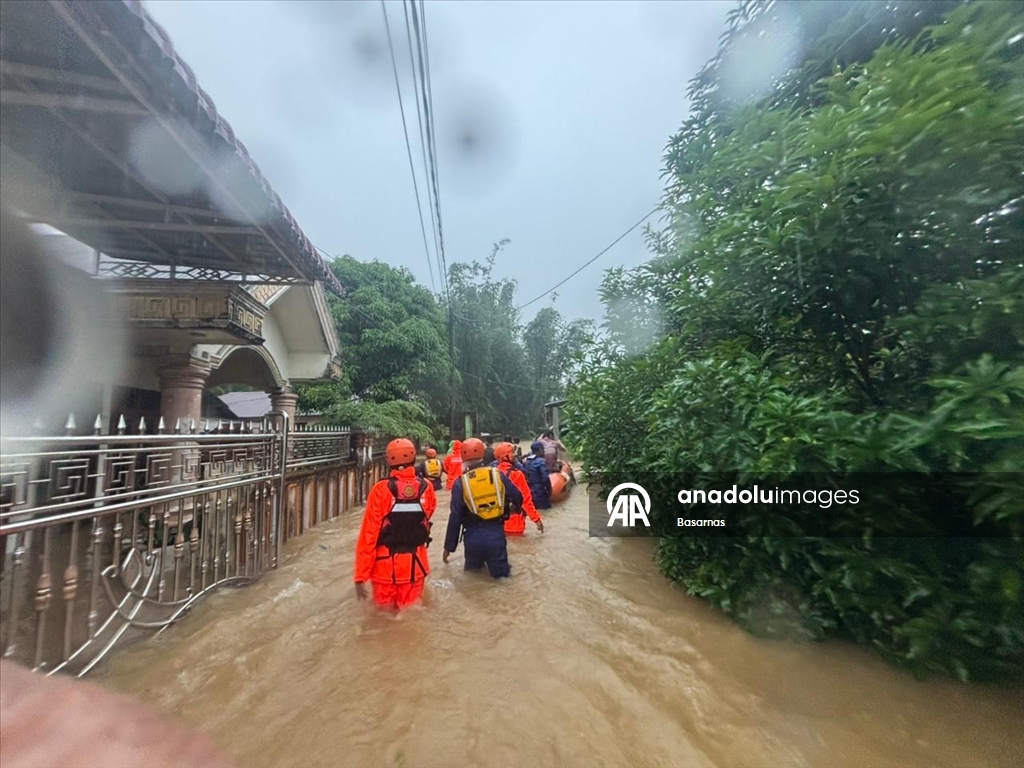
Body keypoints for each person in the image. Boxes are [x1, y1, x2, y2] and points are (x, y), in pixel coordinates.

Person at [354, 438, 437, 610]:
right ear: (414, 458)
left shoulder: (380, 489)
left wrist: (360, 576)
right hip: (415, 566)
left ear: (388, 460)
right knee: (411, 616)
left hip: (384, 568)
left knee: (383, 619)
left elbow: (369, 535)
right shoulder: (427, 487)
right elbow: (426, 516)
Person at [443, 437, 522, 578]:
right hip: (496, 534)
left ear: (463, 456)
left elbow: (455, 517)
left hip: (472, 537)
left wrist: (449, 547)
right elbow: (518, 496)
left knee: (473, 578)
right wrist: (514, 509)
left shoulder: (460, 483)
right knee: (502, 579)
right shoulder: (497, 474)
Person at [493, 442, 544, 536]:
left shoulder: (492, 474)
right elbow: (526, 500)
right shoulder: (517, 474)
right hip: (514, 524)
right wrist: (536, 519)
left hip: (496, 525)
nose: (515, 455)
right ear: (505, 456)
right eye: (512, 453)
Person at [522, 440, 554, 510]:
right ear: (539, 450)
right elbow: (545, 478)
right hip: (540, 494)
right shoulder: (541, 461)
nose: (544, 451)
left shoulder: (526, 462)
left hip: (529, 495)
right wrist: (549, 491)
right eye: (543, 449)